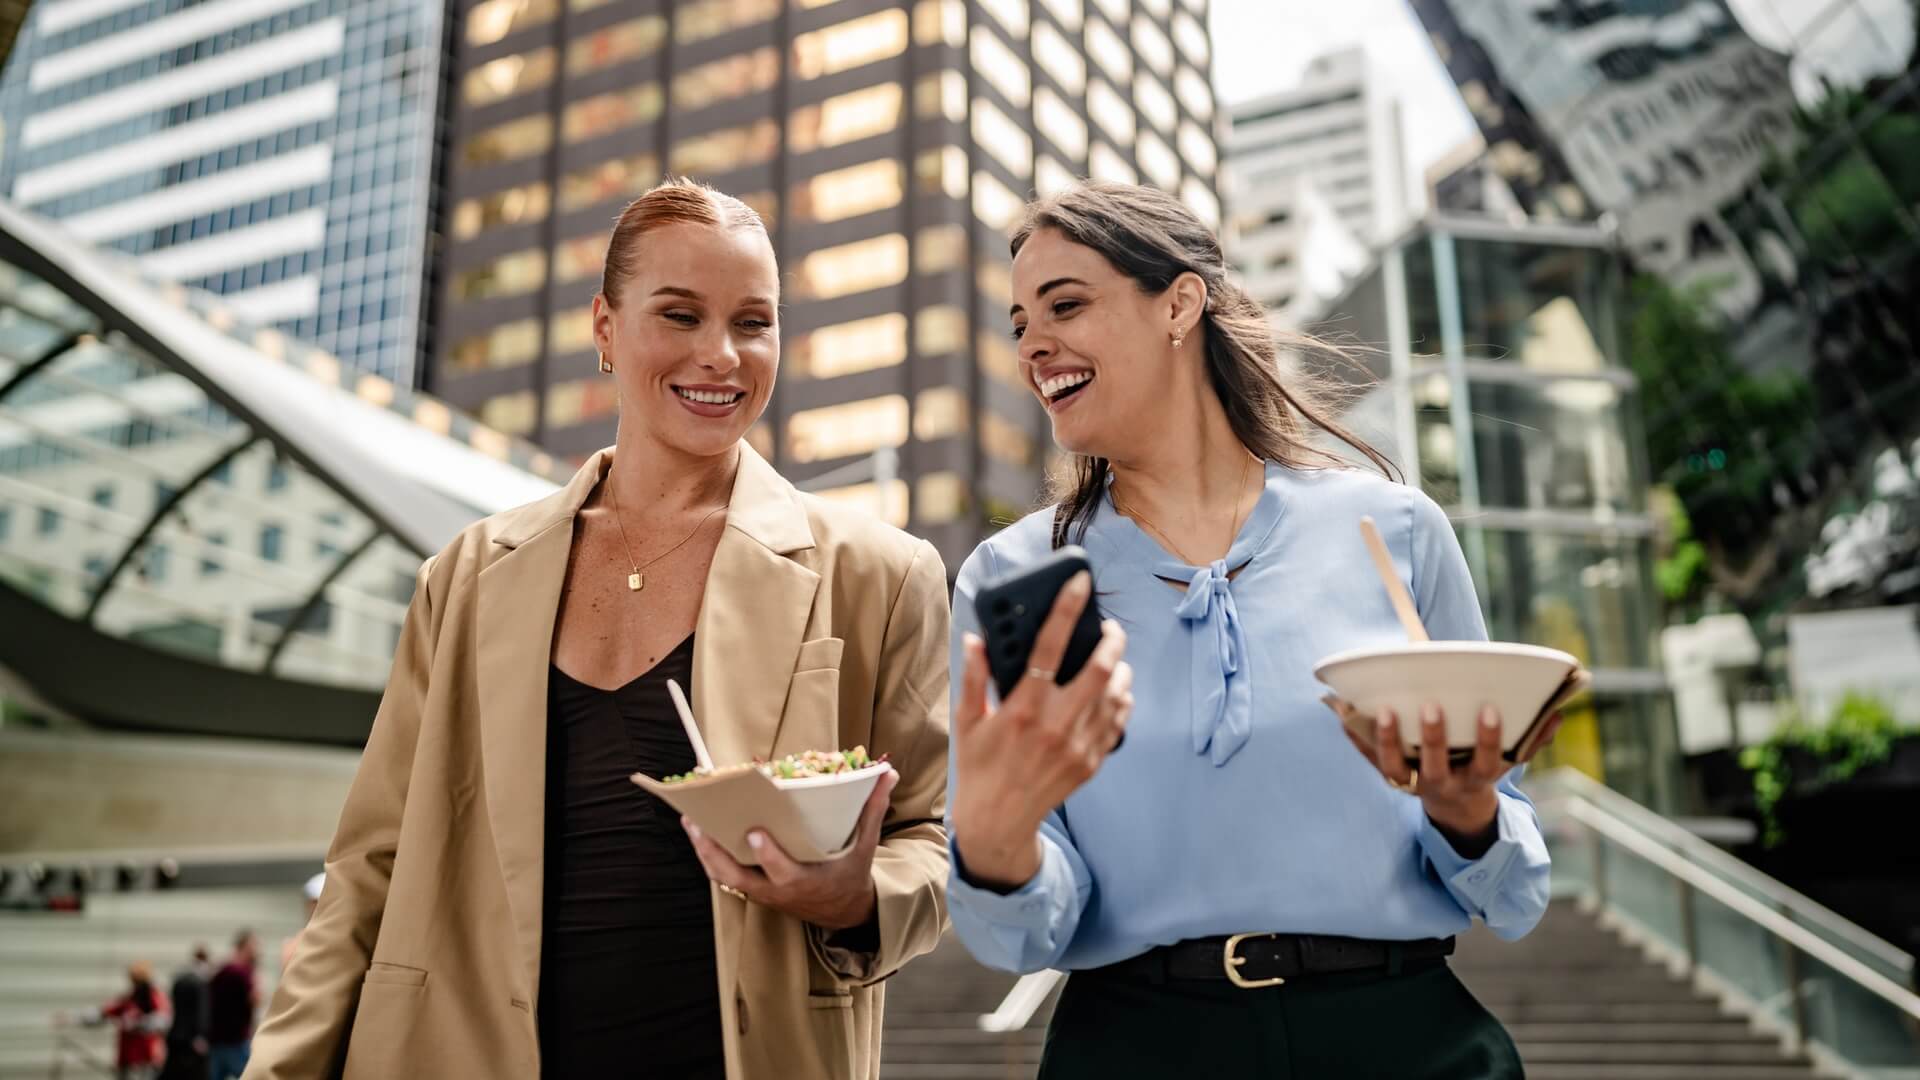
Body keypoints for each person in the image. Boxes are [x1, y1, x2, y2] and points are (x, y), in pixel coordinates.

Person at [243, 179, 950, 1080]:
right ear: (605, 329)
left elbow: (929, 838)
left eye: (754, 322)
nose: (722, 355)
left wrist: (859, 898)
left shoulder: (881, 574)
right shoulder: (465, 574)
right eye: (681, 315)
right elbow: (367, 869)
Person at [945, 181, 1562, 1078]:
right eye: (1018, 325)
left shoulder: (1391, 529)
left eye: (1066, 305)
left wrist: (1466, 815)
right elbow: (1020, 931)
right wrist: (995, 849)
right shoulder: (1013, 579)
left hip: (1405, 1044)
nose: (1034, 345)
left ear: (1180, 303)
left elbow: (1513, 890)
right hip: (1134, 1051)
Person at [67, 961, 171, 1080]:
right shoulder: (128, 999)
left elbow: (163, 1020)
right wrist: (73, 1019)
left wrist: (138, 1024)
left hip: (147, 1059)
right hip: (127, 1058)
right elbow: (103, 1013)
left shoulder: (155, 997)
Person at [206, 931, 257, 1080]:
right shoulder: (242, 972)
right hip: (236, 1040)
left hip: (217, 1039)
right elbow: (255, 999)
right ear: (244, 948)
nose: (258, 950)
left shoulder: (221, 969)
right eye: (254, 946)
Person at [159, 945, 212, 1080]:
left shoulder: (180, 979)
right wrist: (200, 1035)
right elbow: (201, 1013)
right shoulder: (200, 983)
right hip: (192, 1040)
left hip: (176, 1036)